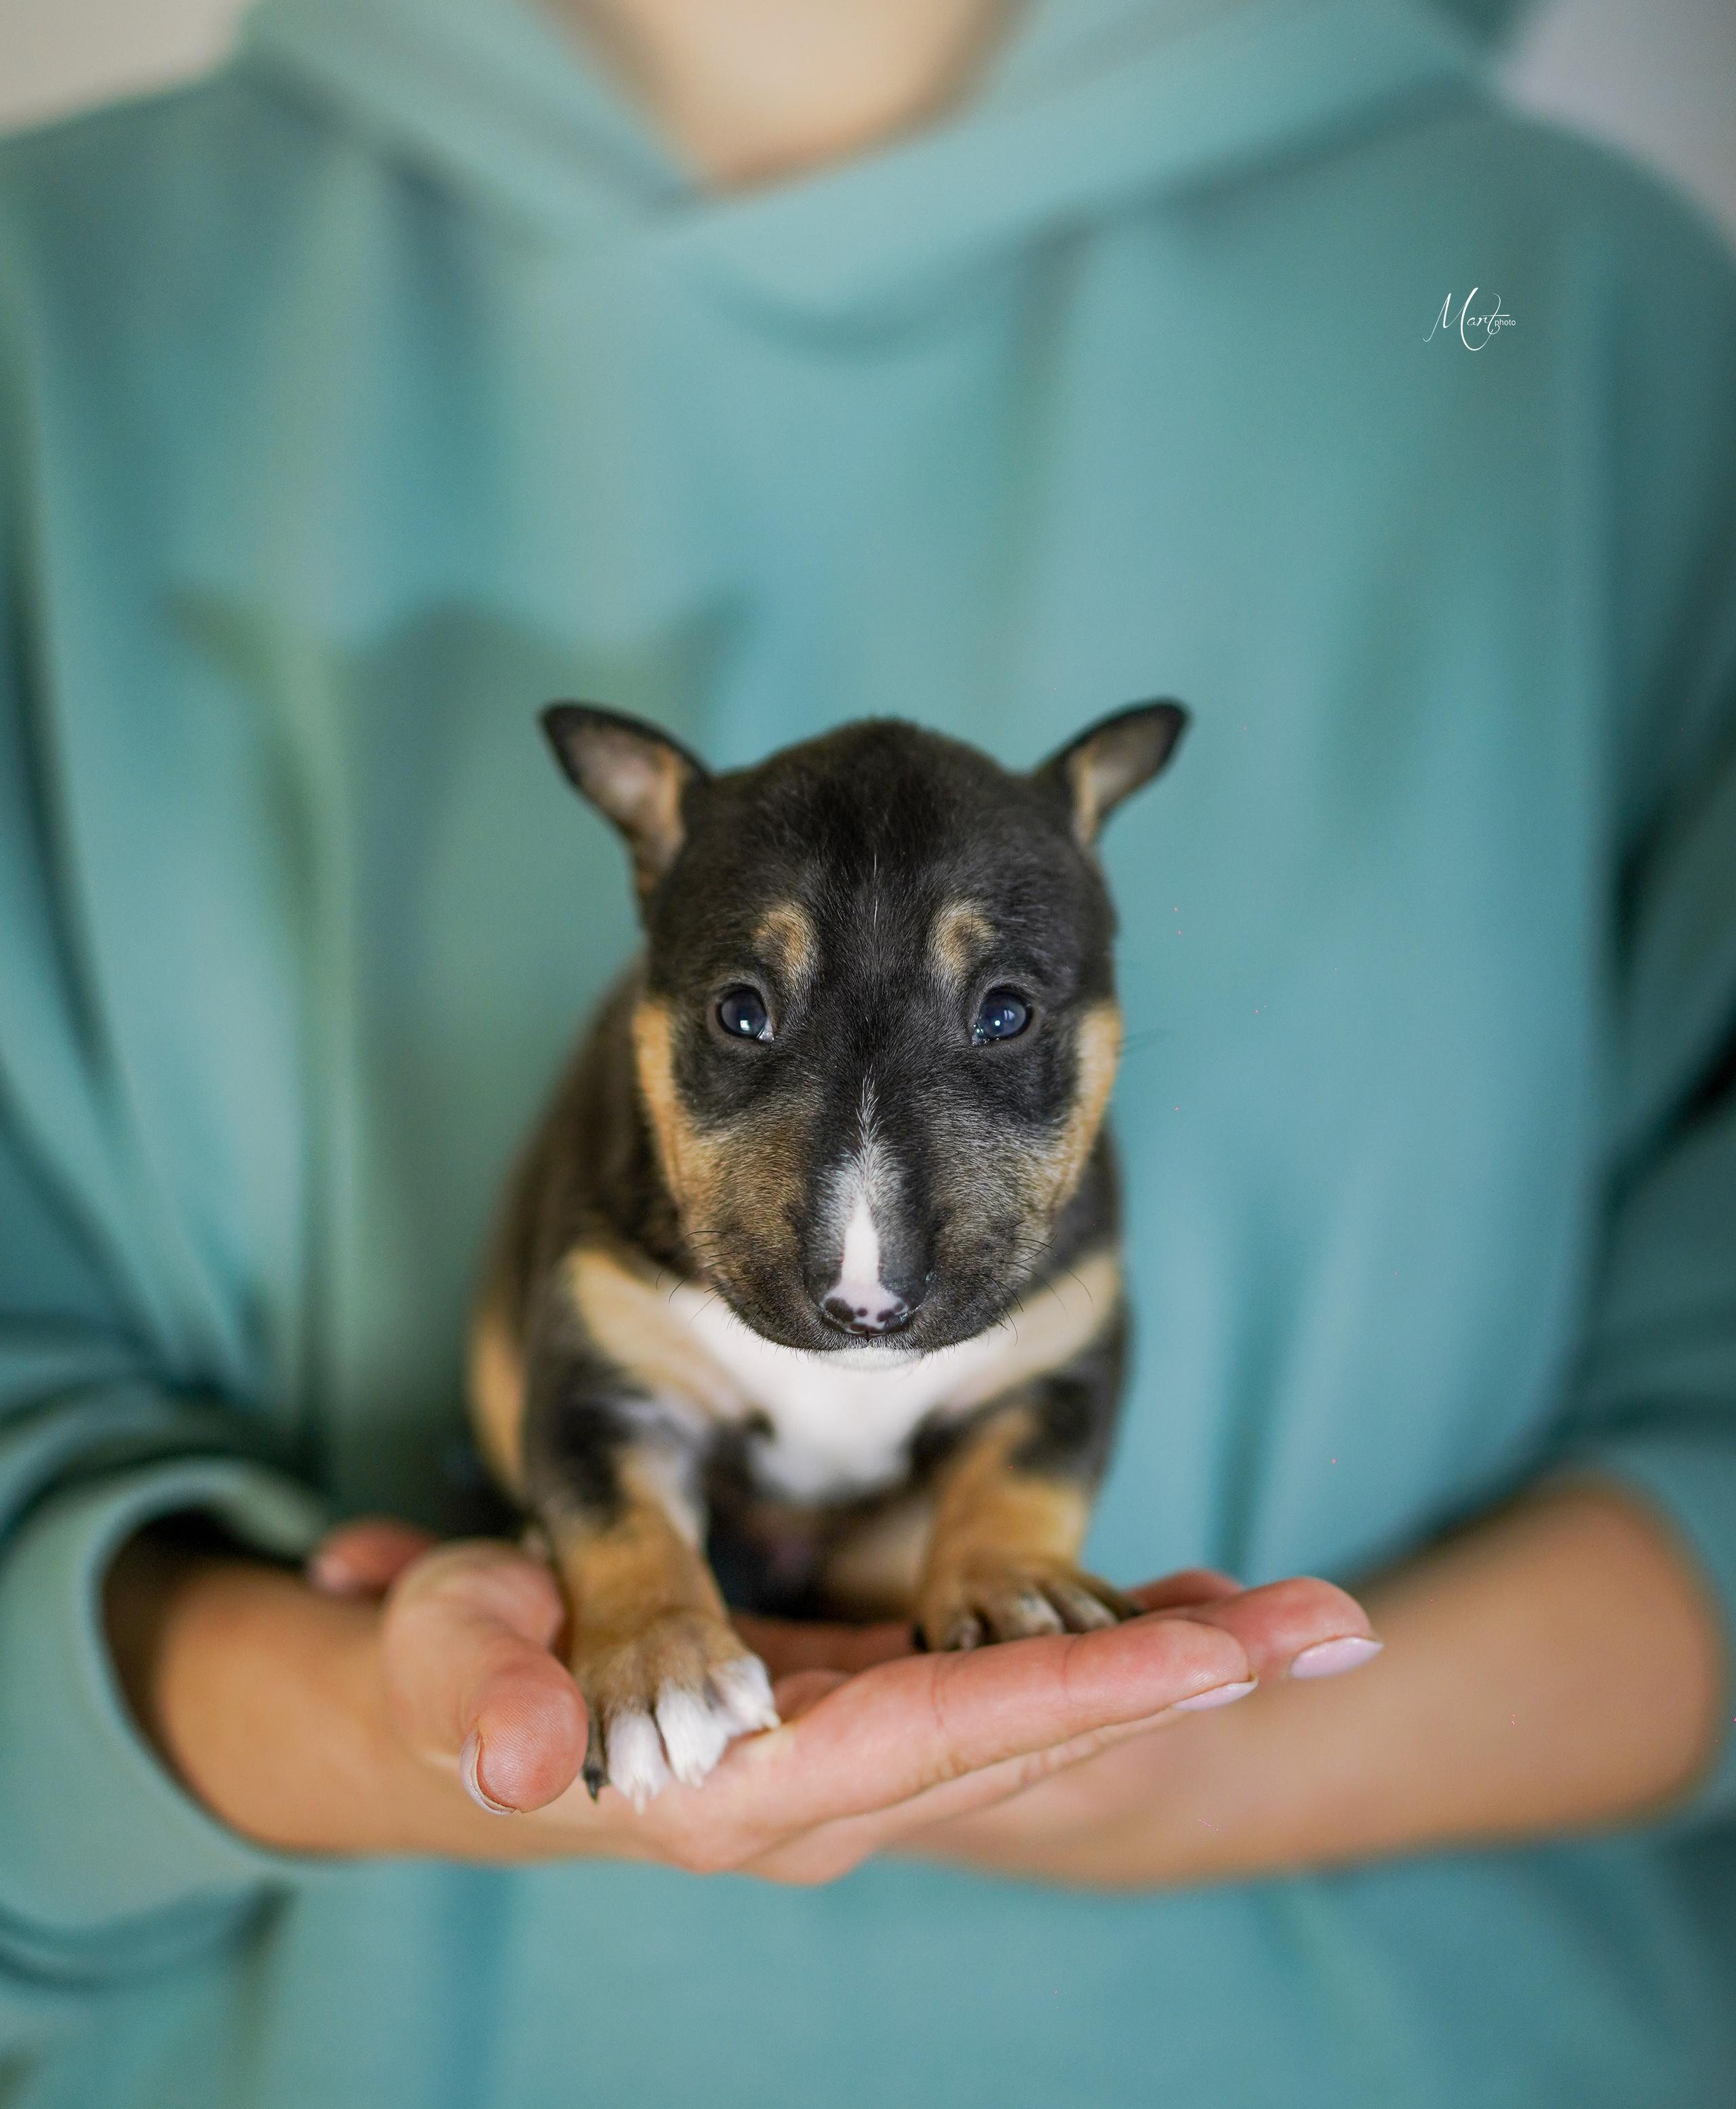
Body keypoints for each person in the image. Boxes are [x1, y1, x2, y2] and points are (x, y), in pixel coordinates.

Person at [0, 0, 1732, 2102]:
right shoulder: (60, 299)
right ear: (647, 875)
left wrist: (1140, 1722)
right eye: (744, 1020)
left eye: (1007, 1024)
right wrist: (331, 1691)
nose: (862, 1255)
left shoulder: (1562, 299)